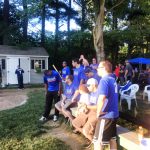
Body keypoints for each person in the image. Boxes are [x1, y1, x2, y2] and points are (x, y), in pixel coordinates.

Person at [93, 60, 119, 150]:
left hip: (106, 116)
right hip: (114, 115)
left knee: (98, 141)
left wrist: (97, 113)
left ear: (104, 68)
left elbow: (102, 98)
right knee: (112, 139)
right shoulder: (113, 79)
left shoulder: (104, 80)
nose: (97, 70)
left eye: (98, 68)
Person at [72, 78, 99, 143]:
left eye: (88, 85)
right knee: (75, 123)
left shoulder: (99, 93)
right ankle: (88, 135)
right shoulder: (92, 93)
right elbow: (87, 104)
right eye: (87, 85)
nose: (87, 87)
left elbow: (99, 107)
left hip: (95, 114)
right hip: (88, 111)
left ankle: (96, 144)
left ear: (94, 85)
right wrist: (82, 106)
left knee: (85, 131)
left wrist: (86, 106)